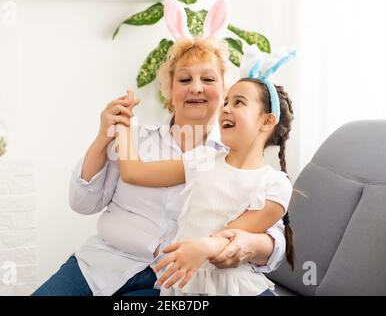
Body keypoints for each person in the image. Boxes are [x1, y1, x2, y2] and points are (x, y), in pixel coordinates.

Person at [31, 0, 288, 296]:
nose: (195, 87)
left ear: (224, 92)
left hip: (174, 279)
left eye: (208, 79)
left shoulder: (233, 157)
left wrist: (247, 245)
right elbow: (83, 202)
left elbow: (271, 237)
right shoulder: (136, 139)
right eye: (184, 79)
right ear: (169, 91)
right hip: (102, 264)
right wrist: (105, 136)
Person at [116, 46, 296, 295]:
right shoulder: (201, 159)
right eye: (225, 102)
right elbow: (134, 172)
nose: (225, 108)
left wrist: (201, 248)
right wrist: (123, 125)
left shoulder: (276, 184)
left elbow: (232, 233)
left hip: (237, 286)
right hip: (189, 284)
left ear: (267, 121)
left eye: (238, 102)